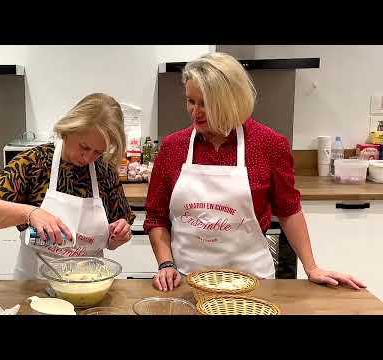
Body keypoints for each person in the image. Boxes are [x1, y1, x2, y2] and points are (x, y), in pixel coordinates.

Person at [144, 52, 365, 292]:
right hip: (188, 281)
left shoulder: (268, 144)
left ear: (232, 101)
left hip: (252, 283)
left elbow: (288, 210)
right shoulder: (173, 147)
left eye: (205, 104)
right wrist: (166, 264)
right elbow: (156, 216)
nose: (194, 112)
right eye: (190, 101)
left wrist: (311, 267)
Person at [0, 93, 135, 279]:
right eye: (84, 147)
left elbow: (112, 239)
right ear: (68, 129)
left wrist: (119, 234)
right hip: (34, 287)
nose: (88, 158)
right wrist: (31, 213)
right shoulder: (34, 162)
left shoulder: (105, 172)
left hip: (88, 285)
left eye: (98, 152)